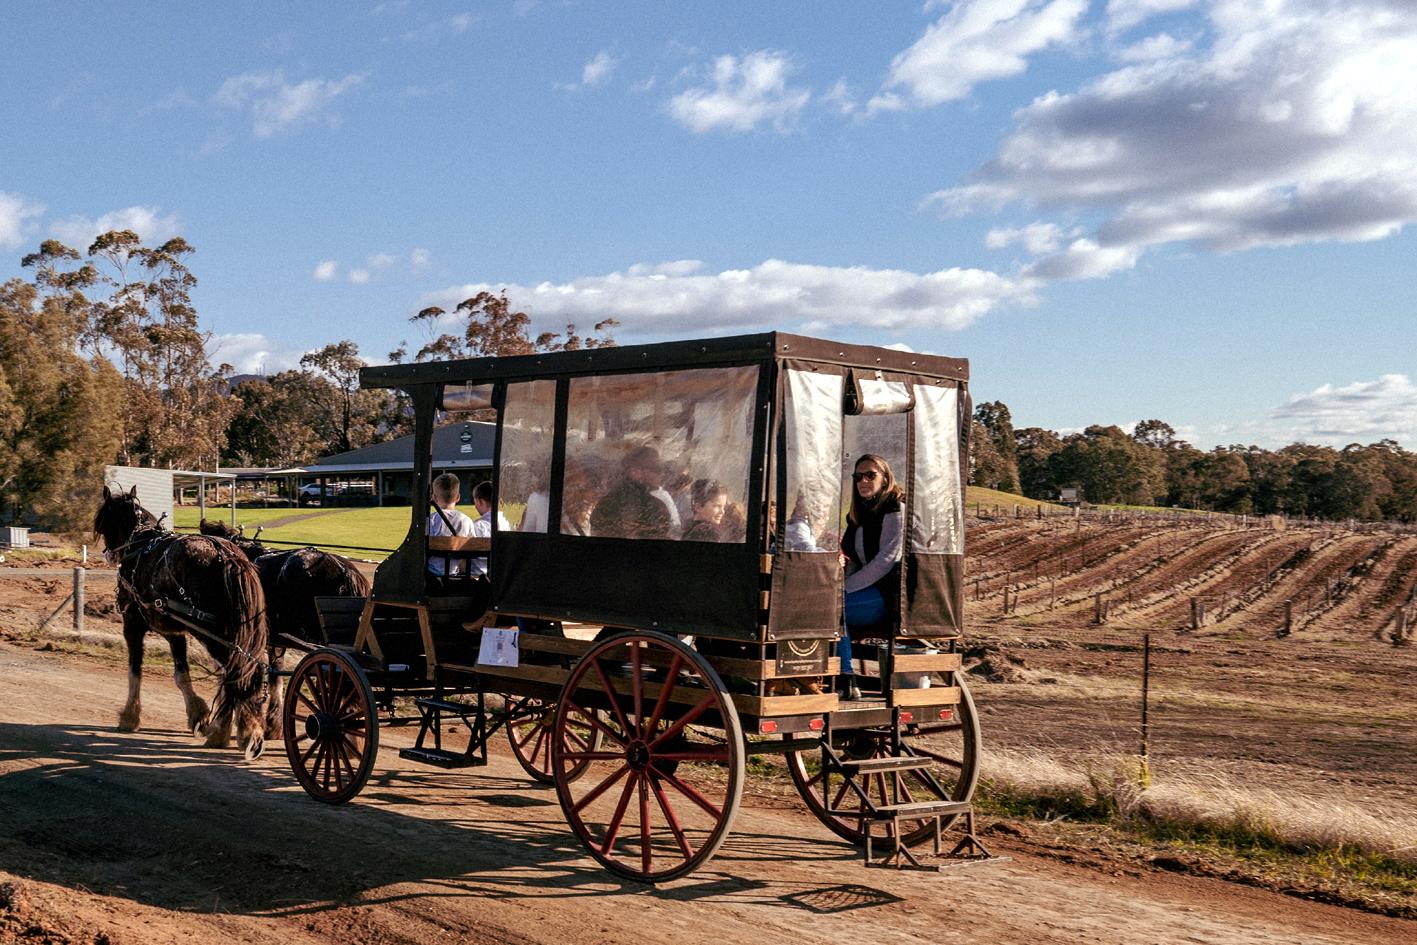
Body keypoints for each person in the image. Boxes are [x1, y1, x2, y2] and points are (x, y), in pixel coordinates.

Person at [837, 453, 905, 698]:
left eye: (870, 475)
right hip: (866, 590)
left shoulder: (895, 507)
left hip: (889, 594)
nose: (863, 481)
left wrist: (845, 589)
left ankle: (845, 678)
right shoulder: (858, 515)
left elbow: (887, 559)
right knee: (825, 605)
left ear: (885, 478)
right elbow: (851, 558)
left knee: (835, 610)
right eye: (858, 476)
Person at [589, 445, 674, 540]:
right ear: (635, 471)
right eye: (655, 469)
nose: (661, 473)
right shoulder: (652, 505)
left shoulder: (609, 500)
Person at [427, 472, 475, 587]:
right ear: (458, 497)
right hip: (455, 574)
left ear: (434, 497)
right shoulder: (466, 521)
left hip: (431, 575)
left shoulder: (431, 520)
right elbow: (472, 549)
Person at [469, 480, 511, 578]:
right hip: (499, 575)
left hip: (477, 576)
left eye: (475, 502)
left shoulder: (477, 526)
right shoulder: (507, 523)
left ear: (479, 501)